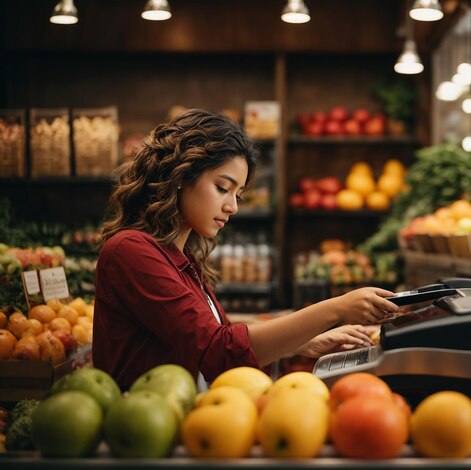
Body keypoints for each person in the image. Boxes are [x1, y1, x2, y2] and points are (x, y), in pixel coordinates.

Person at [93, 109, 400, 390]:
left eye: (238, 194)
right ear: (180, 177)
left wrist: (302, 342)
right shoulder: (131, 251)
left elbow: (218, 334)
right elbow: (219, 351)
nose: (233, 206)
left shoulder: (181, 257)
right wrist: (336, 309)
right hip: (145, 432)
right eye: (222, 188)